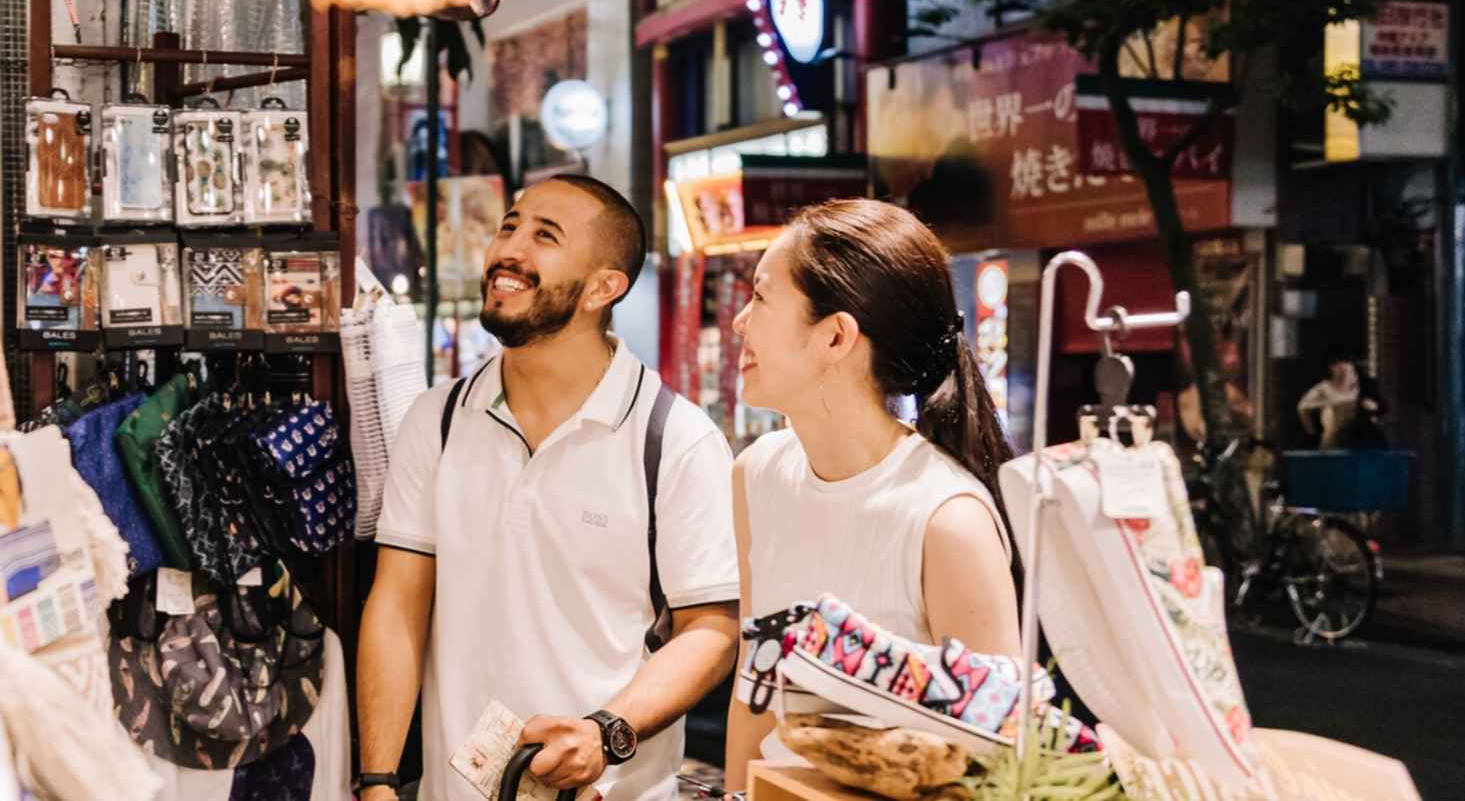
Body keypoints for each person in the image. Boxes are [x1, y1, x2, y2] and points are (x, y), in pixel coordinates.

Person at [357, 175, 741, 801]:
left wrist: (605, 731)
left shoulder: (674, 437)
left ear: (603, 288)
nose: (510, 250)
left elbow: (711, 629)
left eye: (545, 236)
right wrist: (376, 781)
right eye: (510, 226)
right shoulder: (440, 420)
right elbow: (398, 604)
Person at [723, 199, 1021, 787]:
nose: (740, 323)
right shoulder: (757, 474)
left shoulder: (945, 519)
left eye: (760, 297)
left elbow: (998, 761)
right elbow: (755, 683)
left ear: (835, 337)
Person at [1297, 355, 1359, 450]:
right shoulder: (1324, 389)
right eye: (1342, 372)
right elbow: (1303, 407)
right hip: (1333, 439)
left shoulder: (1358, 390)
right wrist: (1311, 431)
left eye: (1349, 372)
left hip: (1355, 439)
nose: (1346, 375)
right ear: (1332, 370)